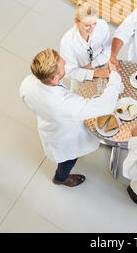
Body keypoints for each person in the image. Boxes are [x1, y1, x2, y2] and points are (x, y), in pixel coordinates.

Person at [20, 48, 123, 187]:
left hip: (48, 124)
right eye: (62, 65)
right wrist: (115, 76)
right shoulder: (65, 105)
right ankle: (60, 178)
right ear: (55, 78)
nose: (66, 62)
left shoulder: (27, 83)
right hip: (64, 138)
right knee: (68, 159)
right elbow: (106, 105)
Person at [60, 1, 111, 84]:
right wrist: (96, 73)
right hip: (81, 74)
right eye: (87, 25)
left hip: (101, 64)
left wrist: (90, 66)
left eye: (94, 23)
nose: (92, 29)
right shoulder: (67, 42)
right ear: (76, 21)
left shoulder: (102, 26)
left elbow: (108, 50)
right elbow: (70, 72)